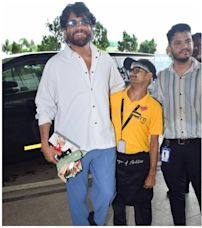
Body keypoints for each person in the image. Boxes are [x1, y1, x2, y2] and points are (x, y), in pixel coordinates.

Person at [34, 2, 125, 225]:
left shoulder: (105, 60)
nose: (79, 26)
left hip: (104, 139)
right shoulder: (54, 65)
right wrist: (45, 143)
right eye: (72, 23)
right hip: (67, 144)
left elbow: (118, 93)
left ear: (92, 26)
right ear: (65, 30)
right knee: (76, 197)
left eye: (83, 21)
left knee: (107, 193)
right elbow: (44, 105)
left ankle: (97, 222)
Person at [153, 23, 201, 225]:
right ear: (170, 48)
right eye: (178, 42)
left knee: (201, 192)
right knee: (175, 193)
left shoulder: (201, 73)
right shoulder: (162, 77)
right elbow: (155, 110)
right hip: (170, 147)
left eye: (188, 41)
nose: (184, 46)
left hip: (198, 146)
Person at [110, 58, 163, 225]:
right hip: (115, 161)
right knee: (117, 207)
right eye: (131, 69)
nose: (132, 72)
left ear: (149, 77)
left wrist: (152, 173)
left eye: (138, 69)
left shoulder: (154, 107)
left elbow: (154, 143)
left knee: (143, 208)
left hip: (140, 163)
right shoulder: (114, 98)